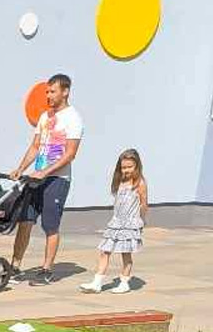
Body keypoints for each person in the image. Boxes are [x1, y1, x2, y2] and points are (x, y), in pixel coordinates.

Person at [10, 73, 84, 285]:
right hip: (36, 178)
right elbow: (35, 146)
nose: (48, 96)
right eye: (47, 92)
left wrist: (46, 172)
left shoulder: (73, 118)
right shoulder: (45, 117)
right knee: (25, 221)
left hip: (57, 179)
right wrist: (21, 168)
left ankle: (46, 270)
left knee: (50, 225)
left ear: (65, 92)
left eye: (52, 91)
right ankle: (15, 266)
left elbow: (70, 154)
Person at [83, 149, 148, 295]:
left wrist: (141, 221)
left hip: (129, 224)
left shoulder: (140, 183)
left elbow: (144, 204)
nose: (126, 170)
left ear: (137, 166)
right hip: (116, 222)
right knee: (104, 251)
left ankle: (124, 282)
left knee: (126, 254)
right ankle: (97, 282)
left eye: (130, 167)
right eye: (123, 167)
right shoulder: (121, 181)